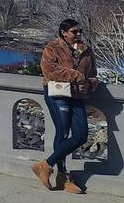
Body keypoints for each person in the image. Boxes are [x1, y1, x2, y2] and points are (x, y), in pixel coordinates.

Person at [31, 18, 98, 194]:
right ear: (64, 32)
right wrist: (76, 76)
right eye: (74, 31)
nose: (78, 34)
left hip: (77, 96)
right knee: (63, 132)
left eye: (79, 31)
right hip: (57, 93)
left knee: (81, 135)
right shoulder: (52, 47)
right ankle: (63, 176)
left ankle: (46, 165)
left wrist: (89, 84)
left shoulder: (86, 51)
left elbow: (93, 75)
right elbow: (48, 69)